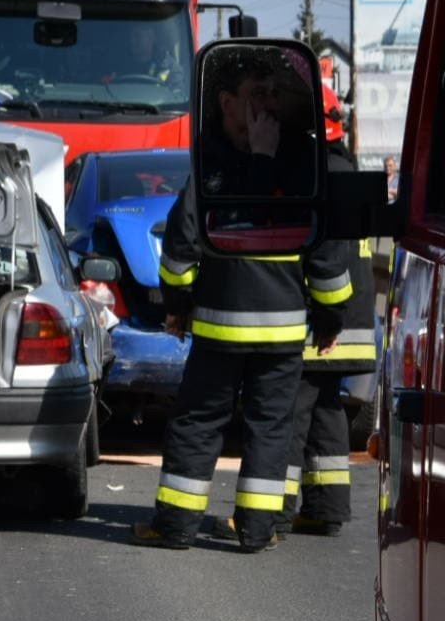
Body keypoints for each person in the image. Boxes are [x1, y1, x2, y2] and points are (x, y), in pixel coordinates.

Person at [133, 52, 354, 553]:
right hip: (272, 333)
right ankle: (246, 532)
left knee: (208, 423)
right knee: (262, 428)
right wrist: (328, 313)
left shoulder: (223, 164)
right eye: (258, 94)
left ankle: (198, 527)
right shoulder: (290, 165)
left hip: (222, 329)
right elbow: (324, 254)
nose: (267, 105)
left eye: (274, 94)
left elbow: (180, 251)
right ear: (228, 102)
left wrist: (178, 302)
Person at [268, 85, 378, 537]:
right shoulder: (347, 173)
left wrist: (322, 318)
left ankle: (272, 511)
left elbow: (323, 259)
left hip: (323, 322)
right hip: (351, 322)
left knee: (292, 413)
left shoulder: (315, 178)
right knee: (328, 409)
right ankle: (327, 506)